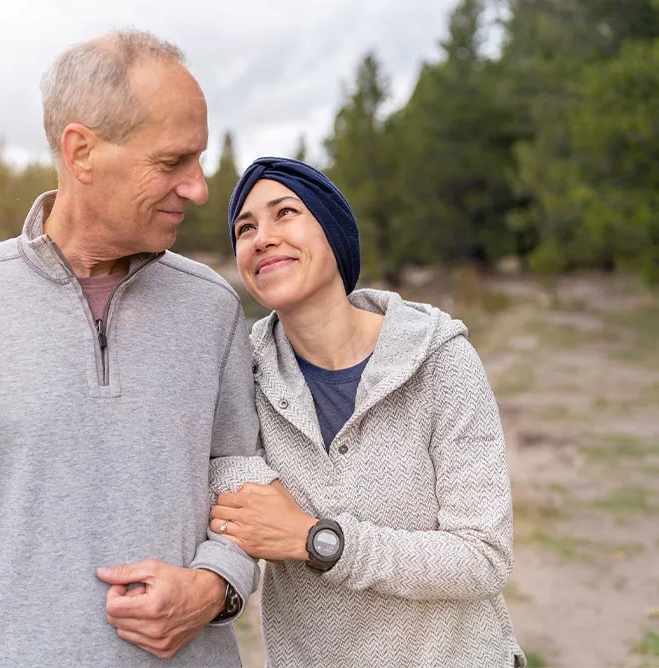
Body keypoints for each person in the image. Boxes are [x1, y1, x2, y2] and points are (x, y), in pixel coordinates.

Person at [0, 31, 277, 667]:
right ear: (82, 152)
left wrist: (214, 587)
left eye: (199, 160)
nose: (199, 188)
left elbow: (244, 486)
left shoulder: (213, 307)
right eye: (172, 162)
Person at [209, 157, 526, 667]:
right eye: (245, 228)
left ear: (334, 234)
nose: (261, 237)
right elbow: (226, 486)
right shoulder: (241, 377)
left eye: (284, 213)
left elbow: (482, 558)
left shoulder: (439, 359)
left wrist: (315, 540)